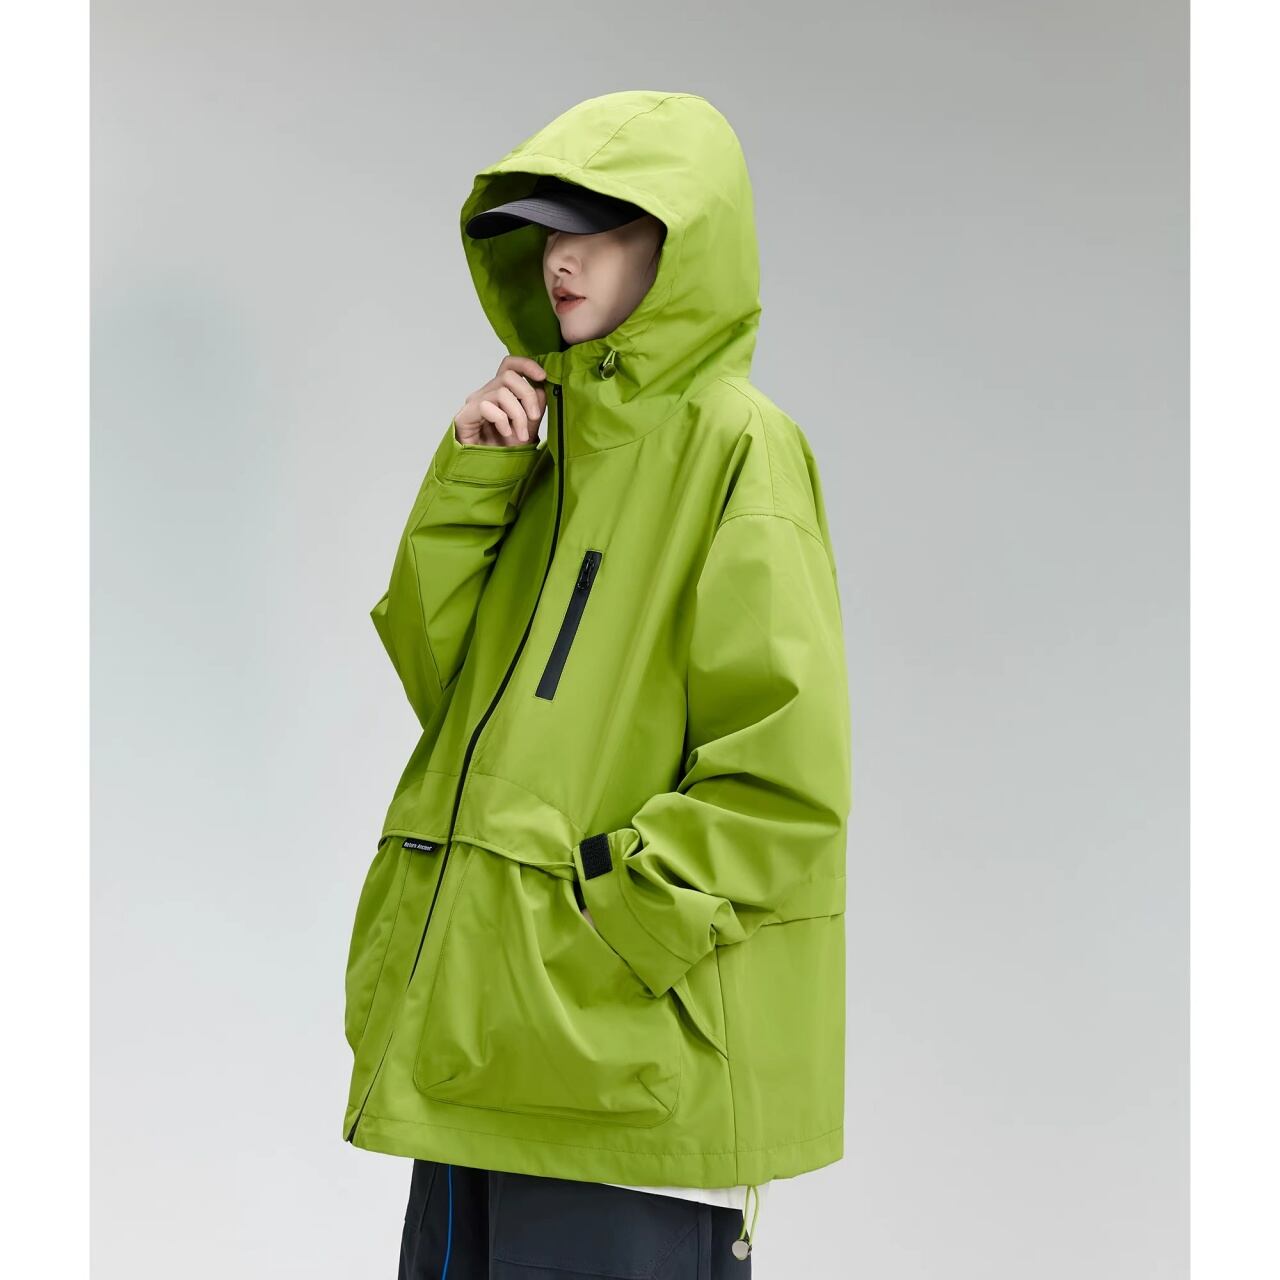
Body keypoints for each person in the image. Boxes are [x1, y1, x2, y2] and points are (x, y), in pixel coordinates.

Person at [343, 90, 851, 1279]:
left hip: (617, 1072)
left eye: (599, 229)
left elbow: (783, 771)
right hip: (480, 1050)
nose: (559, 259)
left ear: (678, 243)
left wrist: (612, 932)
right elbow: (452, 697)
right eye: (544, 232)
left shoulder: (738, 446)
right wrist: (477, 478)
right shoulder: (551, 444)